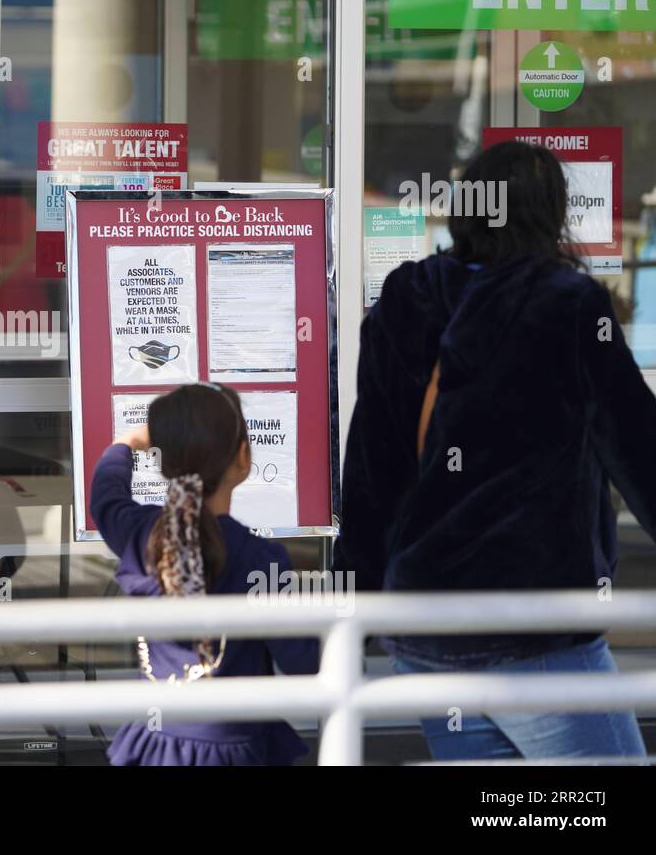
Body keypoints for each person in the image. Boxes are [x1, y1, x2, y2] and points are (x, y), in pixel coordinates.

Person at [337, 139, 656, 761]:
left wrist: (357, 600)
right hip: (533, 630)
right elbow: (640, 452)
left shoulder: (404, 299)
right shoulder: (568, 304)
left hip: (423, 633)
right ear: (549, 216)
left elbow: (370, 470)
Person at [90, 382, 320, 766]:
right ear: (243, 458)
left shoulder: (140, 535)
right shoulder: (261, 558)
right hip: (238, 749)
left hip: (155, 744)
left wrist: (127, 443)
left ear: (164, 463)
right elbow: (302, 661)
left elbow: (106, 496)